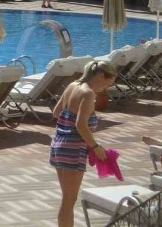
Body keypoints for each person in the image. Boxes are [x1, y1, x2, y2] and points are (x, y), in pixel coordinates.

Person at [50, 60, 117, 227]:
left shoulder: (72, 85)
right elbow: (81, 125)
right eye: (108, 82)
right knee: (68, 201)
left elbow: (56, 112)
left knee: (67, 198)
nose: (106, 87)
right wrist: (96, 147)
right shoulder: (88, 94)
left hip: (58, 144)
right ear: (100, 76)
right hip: (73, 150)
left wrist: (69, 118)